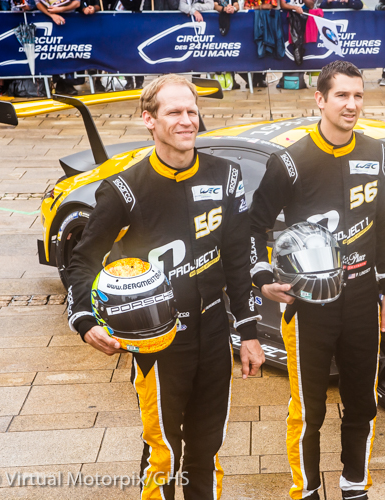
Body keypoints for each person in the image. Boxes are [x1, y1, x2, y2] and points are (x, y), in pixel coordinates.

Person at [65, 74, 265, 500]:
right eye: (174, 111)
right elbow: (82, 259)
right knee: (163, 453)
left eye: (191, 111)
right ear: (148, 120)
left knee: (207, 450)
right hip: (156, 343)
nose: (187, 120)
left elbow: (237, 259)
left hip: (213, 335)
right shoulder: (124, 188)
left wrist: (248, 333)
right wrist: (83, 319)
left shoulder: (226, 176)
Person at [249, 60, 385, 500]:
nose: (352, 105)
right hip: (308, 306)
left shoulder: (380, 154)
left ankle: (355, 485)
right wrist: (262, 279)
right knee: (308, 410)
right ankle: (308, 489)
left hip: (360, 303)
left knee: (363, 402)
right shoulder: (290, 163)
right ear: (320, 99)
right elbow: (254, 226)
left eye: (358, 95)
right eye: (342, 95)